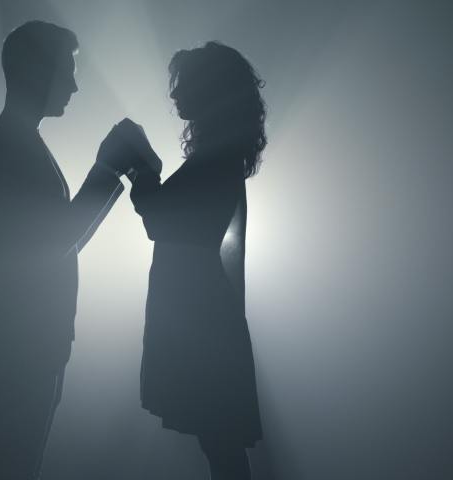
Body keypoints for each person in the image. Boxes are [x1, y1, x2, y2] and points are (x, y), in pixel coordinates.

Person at [0, 21, 137, 480]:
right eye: (66, 71)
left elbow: (60, 242)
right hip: (25, 335)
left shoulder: (17, 141)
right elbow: (54, 242)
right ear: (38, 72)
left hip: (30, 332)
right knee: (13, 467)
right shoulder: (11, 145)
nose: (74, 86)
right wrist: (107, 169)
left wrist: (108, 172)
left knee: (16, 464)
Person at [128, 41, 267, 480]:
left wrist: (141, 167)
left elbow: (161, 221)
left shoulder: (214, 158)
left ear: (210, 90)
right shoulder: (220, 156)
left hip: (201, 317)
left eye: (184, 83)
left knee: (219, 440)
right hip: (204, 312)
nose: (174, 94)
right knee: (218, 440)